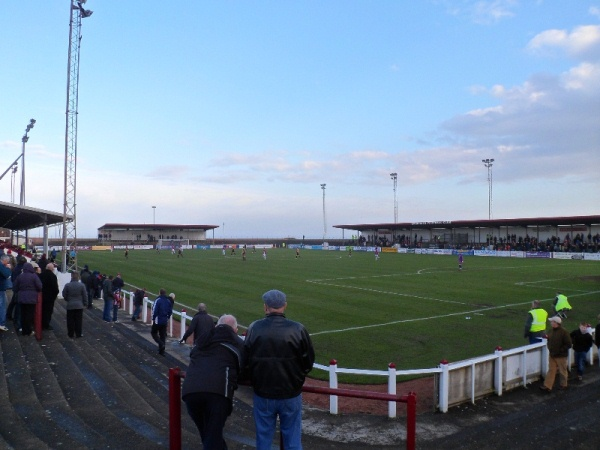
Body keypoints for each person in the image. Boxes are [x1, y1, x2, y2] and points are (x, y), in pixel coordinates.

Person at [244, 289, 315, 450]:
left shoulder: (255, 328)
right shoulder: (298, 329)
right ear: (285, 306)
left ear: (265, 307)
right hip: (290, 393)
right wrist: (296, 379)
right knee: (292, 439)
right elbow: (308, 362)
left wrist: (254, 380)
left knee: (263, 439)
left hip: (263, 393)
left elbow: (245, 361)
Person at [182, 314, 245, 449]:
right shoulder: (238, 343)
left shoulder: (203, 340)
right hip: (218, 393)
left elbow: (193, 356)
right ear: (235, 330)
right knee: (212, 435)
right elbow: (244, 368)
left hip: (190, 392)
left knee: (208, 434)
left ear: (217, 325)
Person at [540, 316, 572, 392]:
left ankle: (564, 384)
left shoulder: (564, 332)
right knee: (551, 370)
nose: (551, 323)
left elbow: (568, 344)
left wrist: (560, 350)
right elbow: (549, 338)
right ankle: (547, 385)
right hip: (552, 354)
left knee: (562, 371)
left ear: (556, 323)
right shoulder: (551, 331)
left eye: (552, 321)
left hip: (561, 356)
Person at [13, 262, 42, 336]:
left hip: (22, 298)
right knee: (30, 314)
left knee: (23, 314)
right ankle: (28, 330)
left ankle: (23, 330)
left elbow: (15, 287)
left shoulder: (20, 276)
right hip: (31, 298)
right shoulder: (34, 276)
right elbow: (39, 286)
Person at [62, 272, 88, 338]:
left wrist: (68, 299)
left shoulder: (67, 285)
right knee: (78, 320)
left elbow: (64, 294)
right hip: (79, 305)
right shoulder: (82, 285)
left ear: (71, 277)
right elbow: (85, 295)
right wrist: (85, 303)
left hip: (70, 305)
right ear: (78, 277)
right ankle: (78, 334)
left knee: (70, 320)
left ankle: (70, 334)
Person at [151, 289, 173, 355]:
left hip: (158, 320)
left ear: (159, 293)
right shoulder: (168, 301)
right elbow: (170, 311)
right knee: (162, 335)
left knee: (153, 333)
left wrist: (153, 318)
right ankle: (162, 351)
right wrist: (167, 318)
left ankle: (161, 344)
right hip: (164, 321)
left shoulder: (158, 300)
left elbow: (154, 309)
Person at [40, 263, 59, 330]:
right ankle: (46, 324)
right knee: (48, 311)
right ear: (51, 268)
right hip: (50, 298)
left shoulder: (41, 275)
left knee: (41, 310)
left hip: (41, 296)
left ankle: (41, 323)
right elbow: (55, 289)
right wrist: (54, 297)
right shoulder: (53, 276)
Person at [0, 254, 12, 332]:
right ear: (4, 260)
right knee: (2, 307)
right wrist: (8, 269)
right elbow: (7, 274)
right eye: (7, 261)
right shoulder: (1, 266)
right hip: (0, 288)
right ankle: (1, 323)